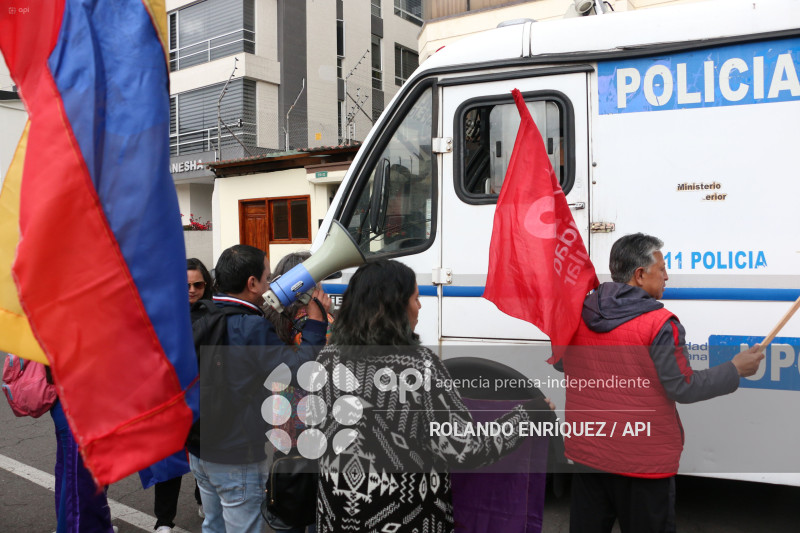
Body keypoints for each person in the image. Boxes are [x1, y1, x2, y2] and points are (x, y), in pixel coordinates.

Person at [314, 259, 553, 533]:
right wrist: (528, 414)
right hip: (406, 519)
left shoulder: (326, 360)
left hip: (337, 517)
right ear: (396, 308)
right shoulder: (418, 368)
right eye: (415, 298)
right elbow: (465, 448)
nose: (420, 306)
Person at [562, 233, 764, 533]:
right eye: (662, 268)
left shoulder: (577, 312)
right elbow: (683, 387)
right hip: (642, 463)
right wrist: (734, 369)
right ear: (640, 275)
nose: (667, 275)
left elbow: (561, 363)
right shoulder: (660, 323)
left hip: (588, 454)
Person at [187, 244, 329, 533]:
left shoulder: (202, 312)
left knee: (213, 525)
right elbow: (299, 371)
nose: (270, 284)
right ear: (252, 284)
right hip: (235, 453)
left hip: (199, 448)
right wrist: (316, 321)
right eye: (266, 278)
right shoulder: (249, 326)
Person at [148, 258, 213, 532]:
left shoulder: (214, 313)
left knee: (203, 458)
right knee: (169, 463)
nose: (192, 290)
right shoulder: (164, 313)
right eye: (186, 284)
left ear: (206, 285)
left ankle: (204, 501)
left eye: (198, 284)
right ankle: (164, 521)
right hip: (170, 399)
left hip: (204, 399)